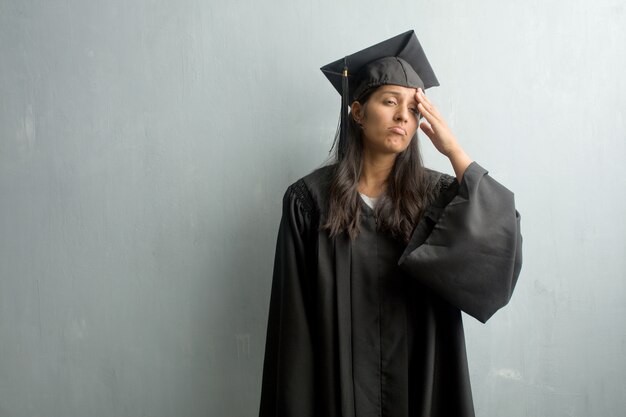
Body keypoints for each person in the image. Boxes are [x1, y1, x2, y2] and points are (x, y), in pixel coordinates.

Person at [258, 30, 522, 417]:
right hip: (335, 393)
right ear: (358, 111)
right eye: (389, 101)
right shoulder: (309, 201)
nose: (403, 115)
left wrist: (453, 150)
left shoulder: (438, 198)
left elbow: (500, 249)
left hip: (422, 386)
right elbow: (293, 329)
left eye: (414, 109)